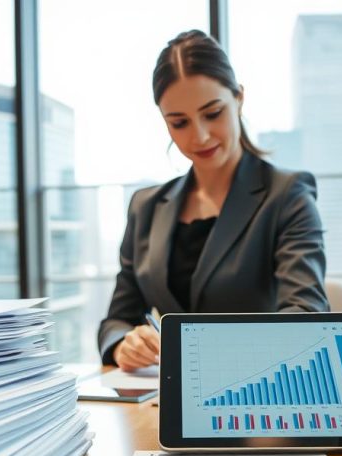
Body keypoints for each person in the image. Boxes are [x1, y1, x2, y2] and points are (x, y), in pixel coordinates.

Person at [98, 30, 328, 371]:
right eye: (179, 123)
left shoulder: (287, 194)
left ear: (239, 99)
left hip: (254, 389)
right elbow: (117, 320)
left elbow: (306, 313)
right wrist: (124, 345)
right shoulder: (146, 207)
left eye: (212, 113)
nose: (200, 136)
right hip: (161, 399)